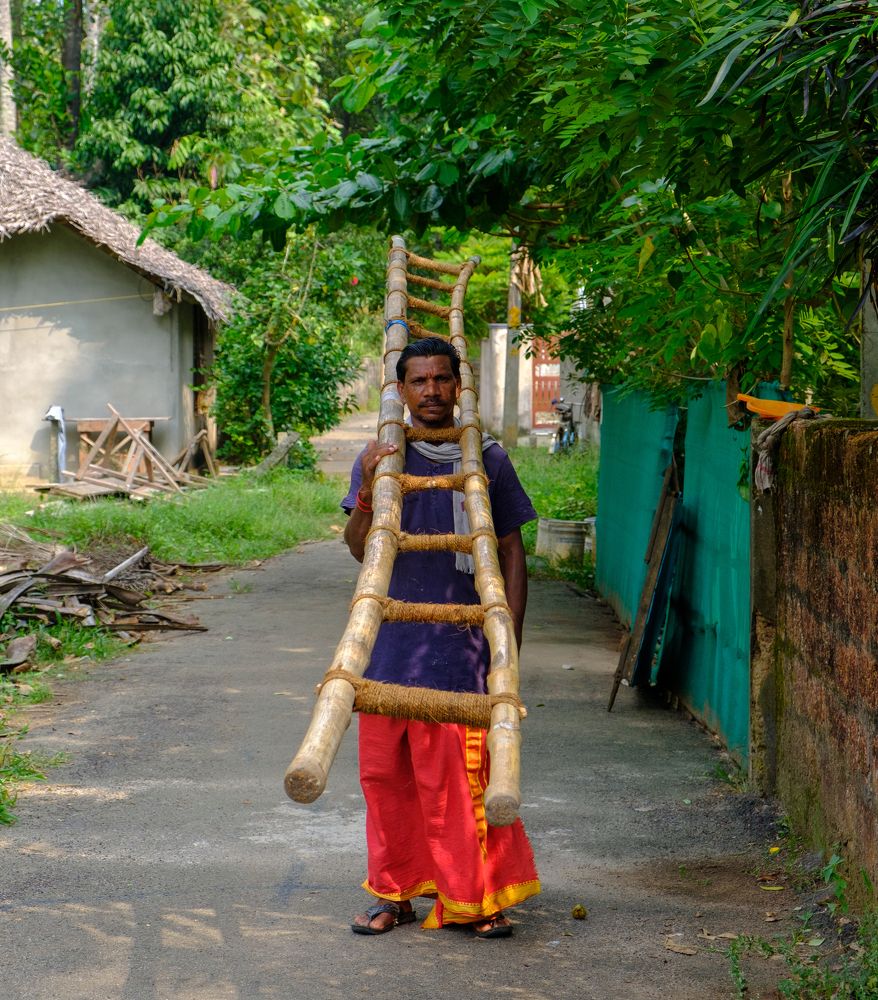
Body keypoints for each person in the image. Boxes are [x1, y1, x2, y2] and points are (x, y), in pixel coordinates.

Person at [341, 336, 540, 939]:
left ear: (458, 386)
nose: (431, 391)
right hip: (388, 651)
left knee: (461, 786)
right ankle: (394, 893)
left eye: (441, 379)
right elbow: (358, 548)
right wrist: (372, 489)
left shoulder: (488, 461)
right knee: (386, 781)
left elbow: (510, 551)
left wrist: (508, 644)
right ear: (401, 391)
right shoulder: (379, 457)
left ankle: (473, 897)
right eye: (418, 381)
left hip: (461, 654)